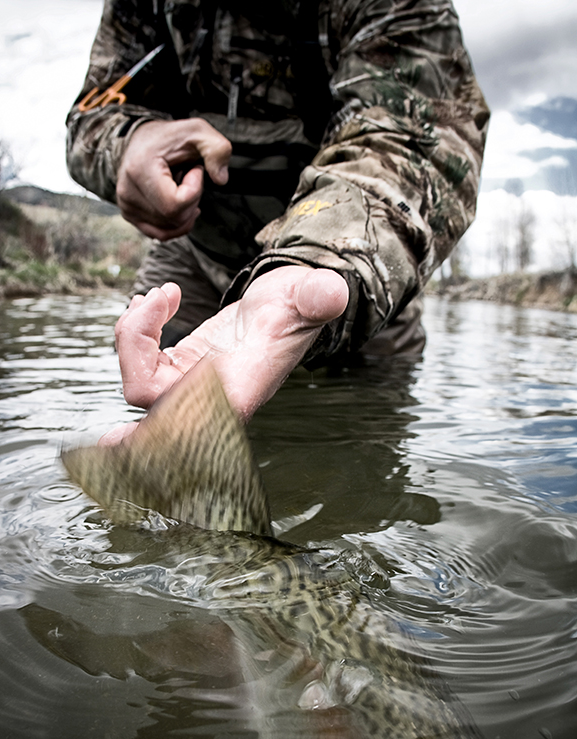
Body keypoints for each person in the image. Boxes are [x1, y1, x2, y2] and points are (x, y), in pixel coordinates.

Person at [66, 0, 488, 429]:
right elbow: (92, 116)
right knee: (161, 428)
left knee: (368, 442)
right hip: (193, 263)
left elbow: (417, 136)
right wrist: (127, 146)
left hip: (358, 274)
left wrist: (310, 266)